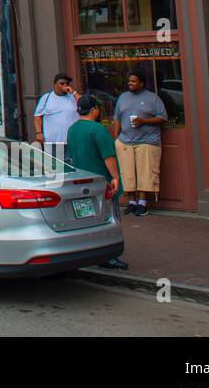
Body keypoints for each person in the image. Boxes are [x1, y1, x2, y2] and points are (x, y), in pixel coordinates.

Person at [66, 94, 129, 270]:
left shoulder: (72, 129)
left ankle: (90, 251)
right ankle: (110, 256)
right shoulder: (98, 129)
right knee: (110, 218)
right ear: (94, 110)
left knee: (88, 219)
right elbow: (108, 157)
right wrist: (115, 177)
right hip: (101, 182)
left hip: (81, 182)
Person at [111, 70, 168, 216]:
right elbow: (117, 118)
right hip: (125, 141)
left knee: (146, 172)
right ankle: (132, 202)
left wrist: (144, 121)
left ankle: (142, 203)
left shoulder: (152, 98)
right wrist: (115, 138)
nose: (130, 83)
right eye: (129, 81)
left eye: (134, 81)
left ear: (141, 83)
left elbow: (162, 118)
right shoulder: (123, 97)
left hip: (147, 140)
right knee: (127, 172)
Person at [34, 72, 80, 158]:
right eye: (62, 83)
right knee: (55, 167)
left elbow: (84, 104)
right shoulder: (46, 98)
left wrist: (74, 93)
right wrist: (38, 132)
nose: (65, 85)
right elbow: (37, 116)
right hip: (53, 142)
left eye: (67, 83)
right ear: (55, 85)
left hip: (72, 141)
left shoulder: (73, 97)